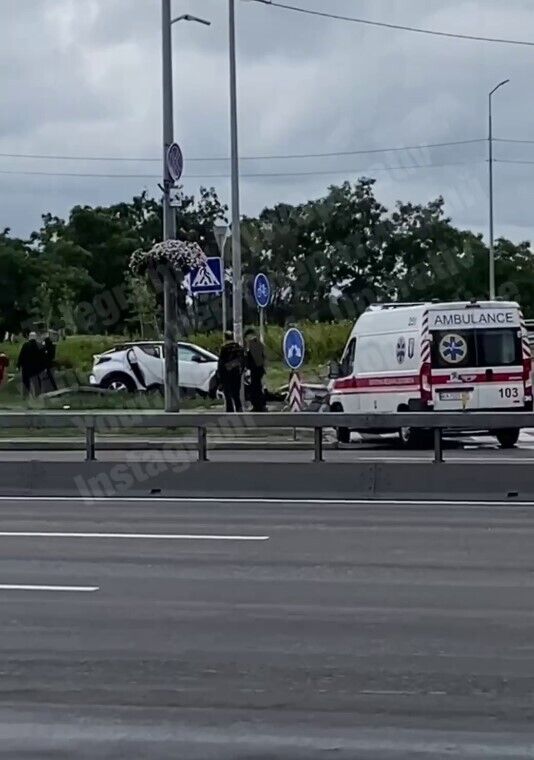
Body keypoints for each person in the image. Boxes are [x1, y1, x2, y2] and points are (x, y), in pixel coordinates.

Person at [218, 331, 244, 412]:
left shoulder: (224, 348)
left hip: (226, 375)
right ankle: (239, 409)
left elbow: (221, 363)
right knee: (236, 394)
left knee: (227, 394)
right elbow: (243, 361)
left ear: (225, 337)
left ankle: (230, 410)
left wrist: (220, 376)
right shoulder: (238, 347)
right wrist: (241, 371)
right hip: (236, 374)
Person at [245, 328, 267, 412]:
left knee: (255, 389)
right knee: (259, 388)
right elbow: (263, 357)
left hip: (255, 370)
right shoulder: (259, 344)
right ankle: (261, 405)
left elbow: (250, 359)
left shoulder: (252, 344)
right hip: (260, 370)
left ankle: (257, 406)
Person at [17, 332, 44, 398]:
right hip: (37, 367)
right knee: (37, 382)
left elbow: (21, 356)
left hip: (26, 367)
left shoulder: (25, 345)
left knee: (26, 382)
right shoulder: (40, 345)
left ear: (29, 337)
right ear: (35, 337)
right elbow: (43, 357)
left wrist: (18, 365)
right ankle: (37, 395)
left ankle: (25, 395)